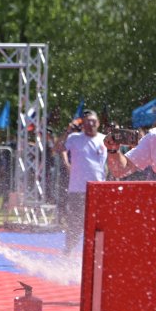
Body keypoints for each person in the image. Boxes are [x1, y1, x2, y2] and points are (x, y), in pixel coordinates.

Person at [56, 109, 107, 254]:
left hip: (99, 189)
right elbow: (58, 148)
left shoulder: (104, 139)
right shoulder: (74, 138)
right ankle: (68, 251)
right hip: (78, 189)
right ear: (83, 124)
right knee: (76, 224)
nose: (91, 124)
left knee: (99, 224)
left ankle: (95, 253)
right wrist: (66, 131)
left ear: (98, 122)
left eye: (93, 121)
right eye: (87, 122)